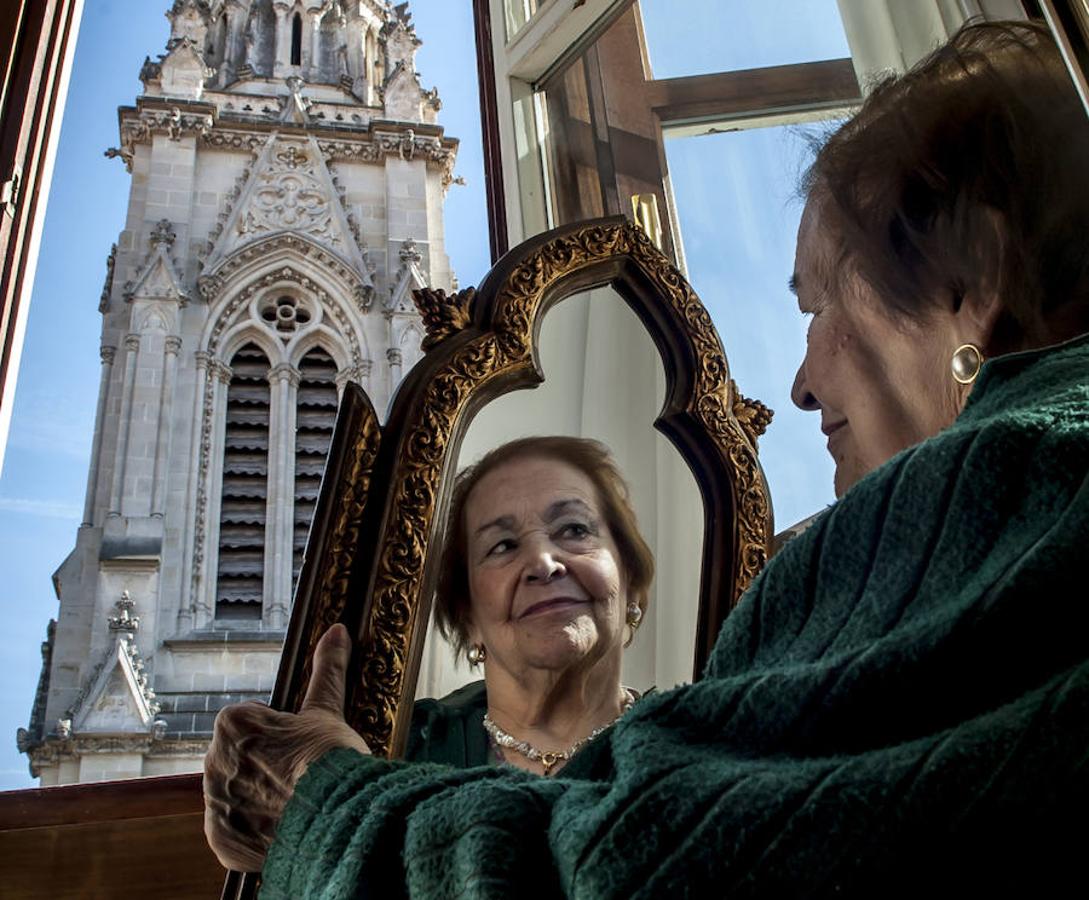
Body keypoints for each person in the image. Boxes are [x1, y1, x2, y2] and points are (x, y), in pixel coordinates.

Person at [203, 21, 1089, 895]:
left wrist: (326, 809)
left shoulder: (987, 490)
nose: (801, 385)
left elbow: (636, 869)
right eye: (499, 543)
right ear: (459, 608)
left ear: (974, 275)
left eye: (818, 305)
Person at [404, 436, 654, 773]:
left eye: (574, 529)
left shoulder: (691, 749)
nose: (542, 562)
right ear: (468, 618)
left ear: (631, 582)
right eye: (503, 546)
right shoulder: (405, 745)